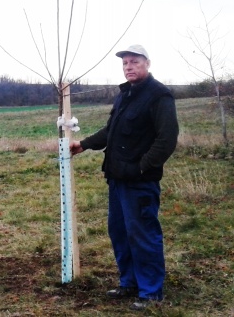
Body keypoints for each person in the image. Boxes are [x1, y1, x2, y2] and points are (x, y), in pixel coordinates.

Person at [69, 44, 179, 311]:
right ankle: (129, 282)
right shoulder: (125, 94)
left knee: (142, 233)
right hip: (117, 179)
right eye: (125, 63)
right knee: (119, 232)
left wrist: (141, 167)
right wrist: (83, 144)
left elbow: (167, 140)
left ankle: (151, 292)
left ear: (147, 64)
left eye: (134, 62)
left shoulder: (159, 96)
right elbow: (111, 130)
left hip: (139, 181)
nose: (128, 67)